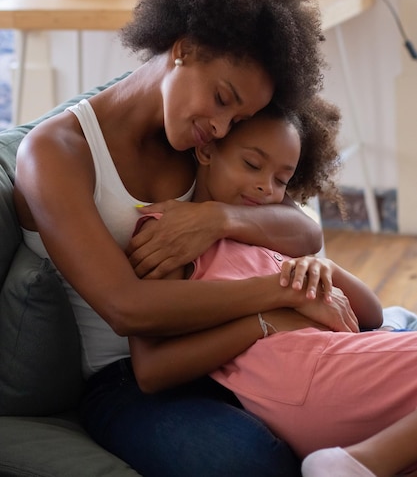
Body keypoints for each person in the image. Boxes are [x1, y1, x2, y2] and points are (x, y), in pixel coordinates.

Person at [12, 0, 357, 477]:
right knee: (253, 462)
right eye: (222, 100)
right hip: (131, 377)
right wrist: (280, 297)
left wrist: (219, 219)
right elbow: (128, 308)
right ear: (183, 49)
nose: (220, 128)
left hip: (235, 353)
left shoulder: (199, 145)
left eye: (236, 118)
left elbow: (304, 228)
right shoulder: (57, 153)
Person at [128, 98, 417, 477]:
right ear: (206, 149)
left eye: (282, 180)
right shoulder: (169, 232)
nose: (265, 187)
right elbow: (153, 369)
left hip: (341, 361)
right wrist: (269, 319)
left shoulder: (267, 229)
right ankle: (355, 464)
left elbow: (371, 314)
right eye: (252, 164)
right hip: (312, 378)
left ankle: (362, 465)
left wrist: (324, 269)